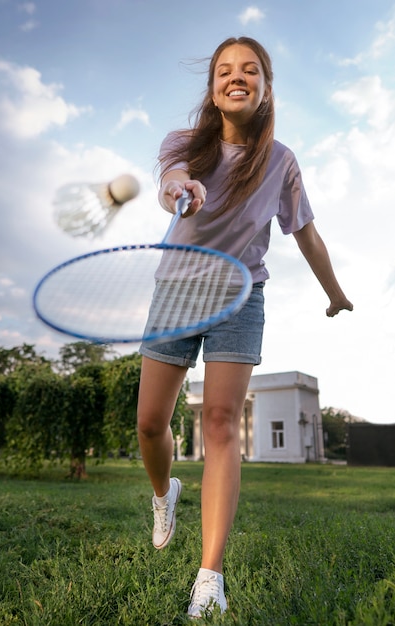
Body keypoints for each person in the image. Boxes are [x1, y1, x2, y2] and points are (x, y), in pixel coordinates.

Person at [137, 36, 353, 619]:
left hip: (240, 293)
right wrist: (179, 188)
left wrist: (335, 293)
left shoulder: (280, 161)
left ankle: (210, 576)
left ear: (265, 86)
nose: (237, 77)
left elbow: (304, 231)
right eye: (225, 71)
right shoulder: (182, 144)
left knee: (220, 424)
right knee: (151, 424)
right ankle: (164, 495)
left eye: (250, 70)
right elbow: (170, 179)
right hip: (177, 289)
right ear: (212, 87)